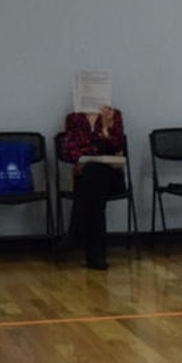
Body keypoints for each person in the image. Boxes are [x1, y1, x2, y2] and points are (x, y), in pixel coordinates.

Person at [61, 105, 126, 269]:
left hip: (111, 178)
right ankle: (97, 258)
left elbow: (117, 148)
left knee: (93, 174)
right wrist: (97, 150)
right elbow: (69, 150)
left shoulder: (114, 115)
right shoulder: (74, 118)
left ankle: (75, 232)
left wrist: (106, 128)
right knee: (95, 195)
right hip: (86, 177)